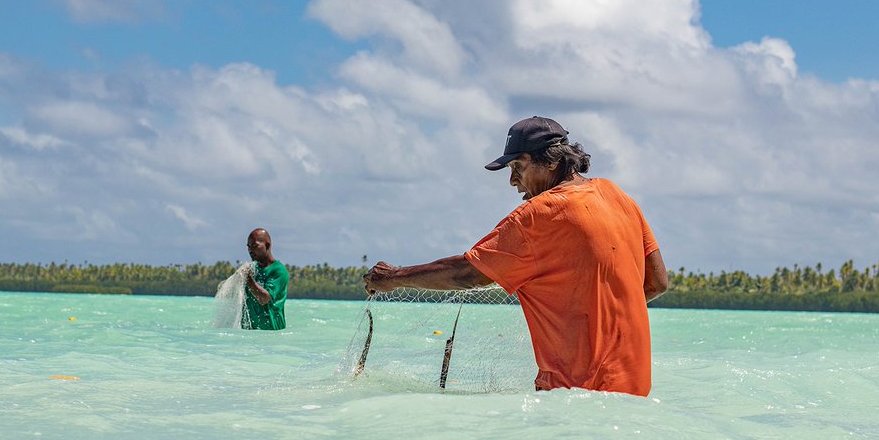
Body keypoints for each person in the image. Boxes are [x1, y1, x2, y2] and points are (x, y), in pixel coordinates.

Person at [363, 116, 669, 395]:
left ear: (551, 163)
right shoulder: (619, 197)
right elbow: (656, 283)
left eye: (518, 168)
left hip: (572, 397)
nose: (513, 181)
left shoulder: (540, 215)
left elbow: (467, 274)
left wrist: (393, 278)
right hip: (635, 394)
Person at [243, 228, 289, 330]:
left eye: (254, 246)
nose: (251, 250)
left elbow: (264, 298)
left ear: (267, 245)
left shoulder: (278, 271)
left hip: (271, 335)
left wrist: (248, 279)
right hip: (249, 335)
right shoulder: (253, 269)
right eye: (249, 247)